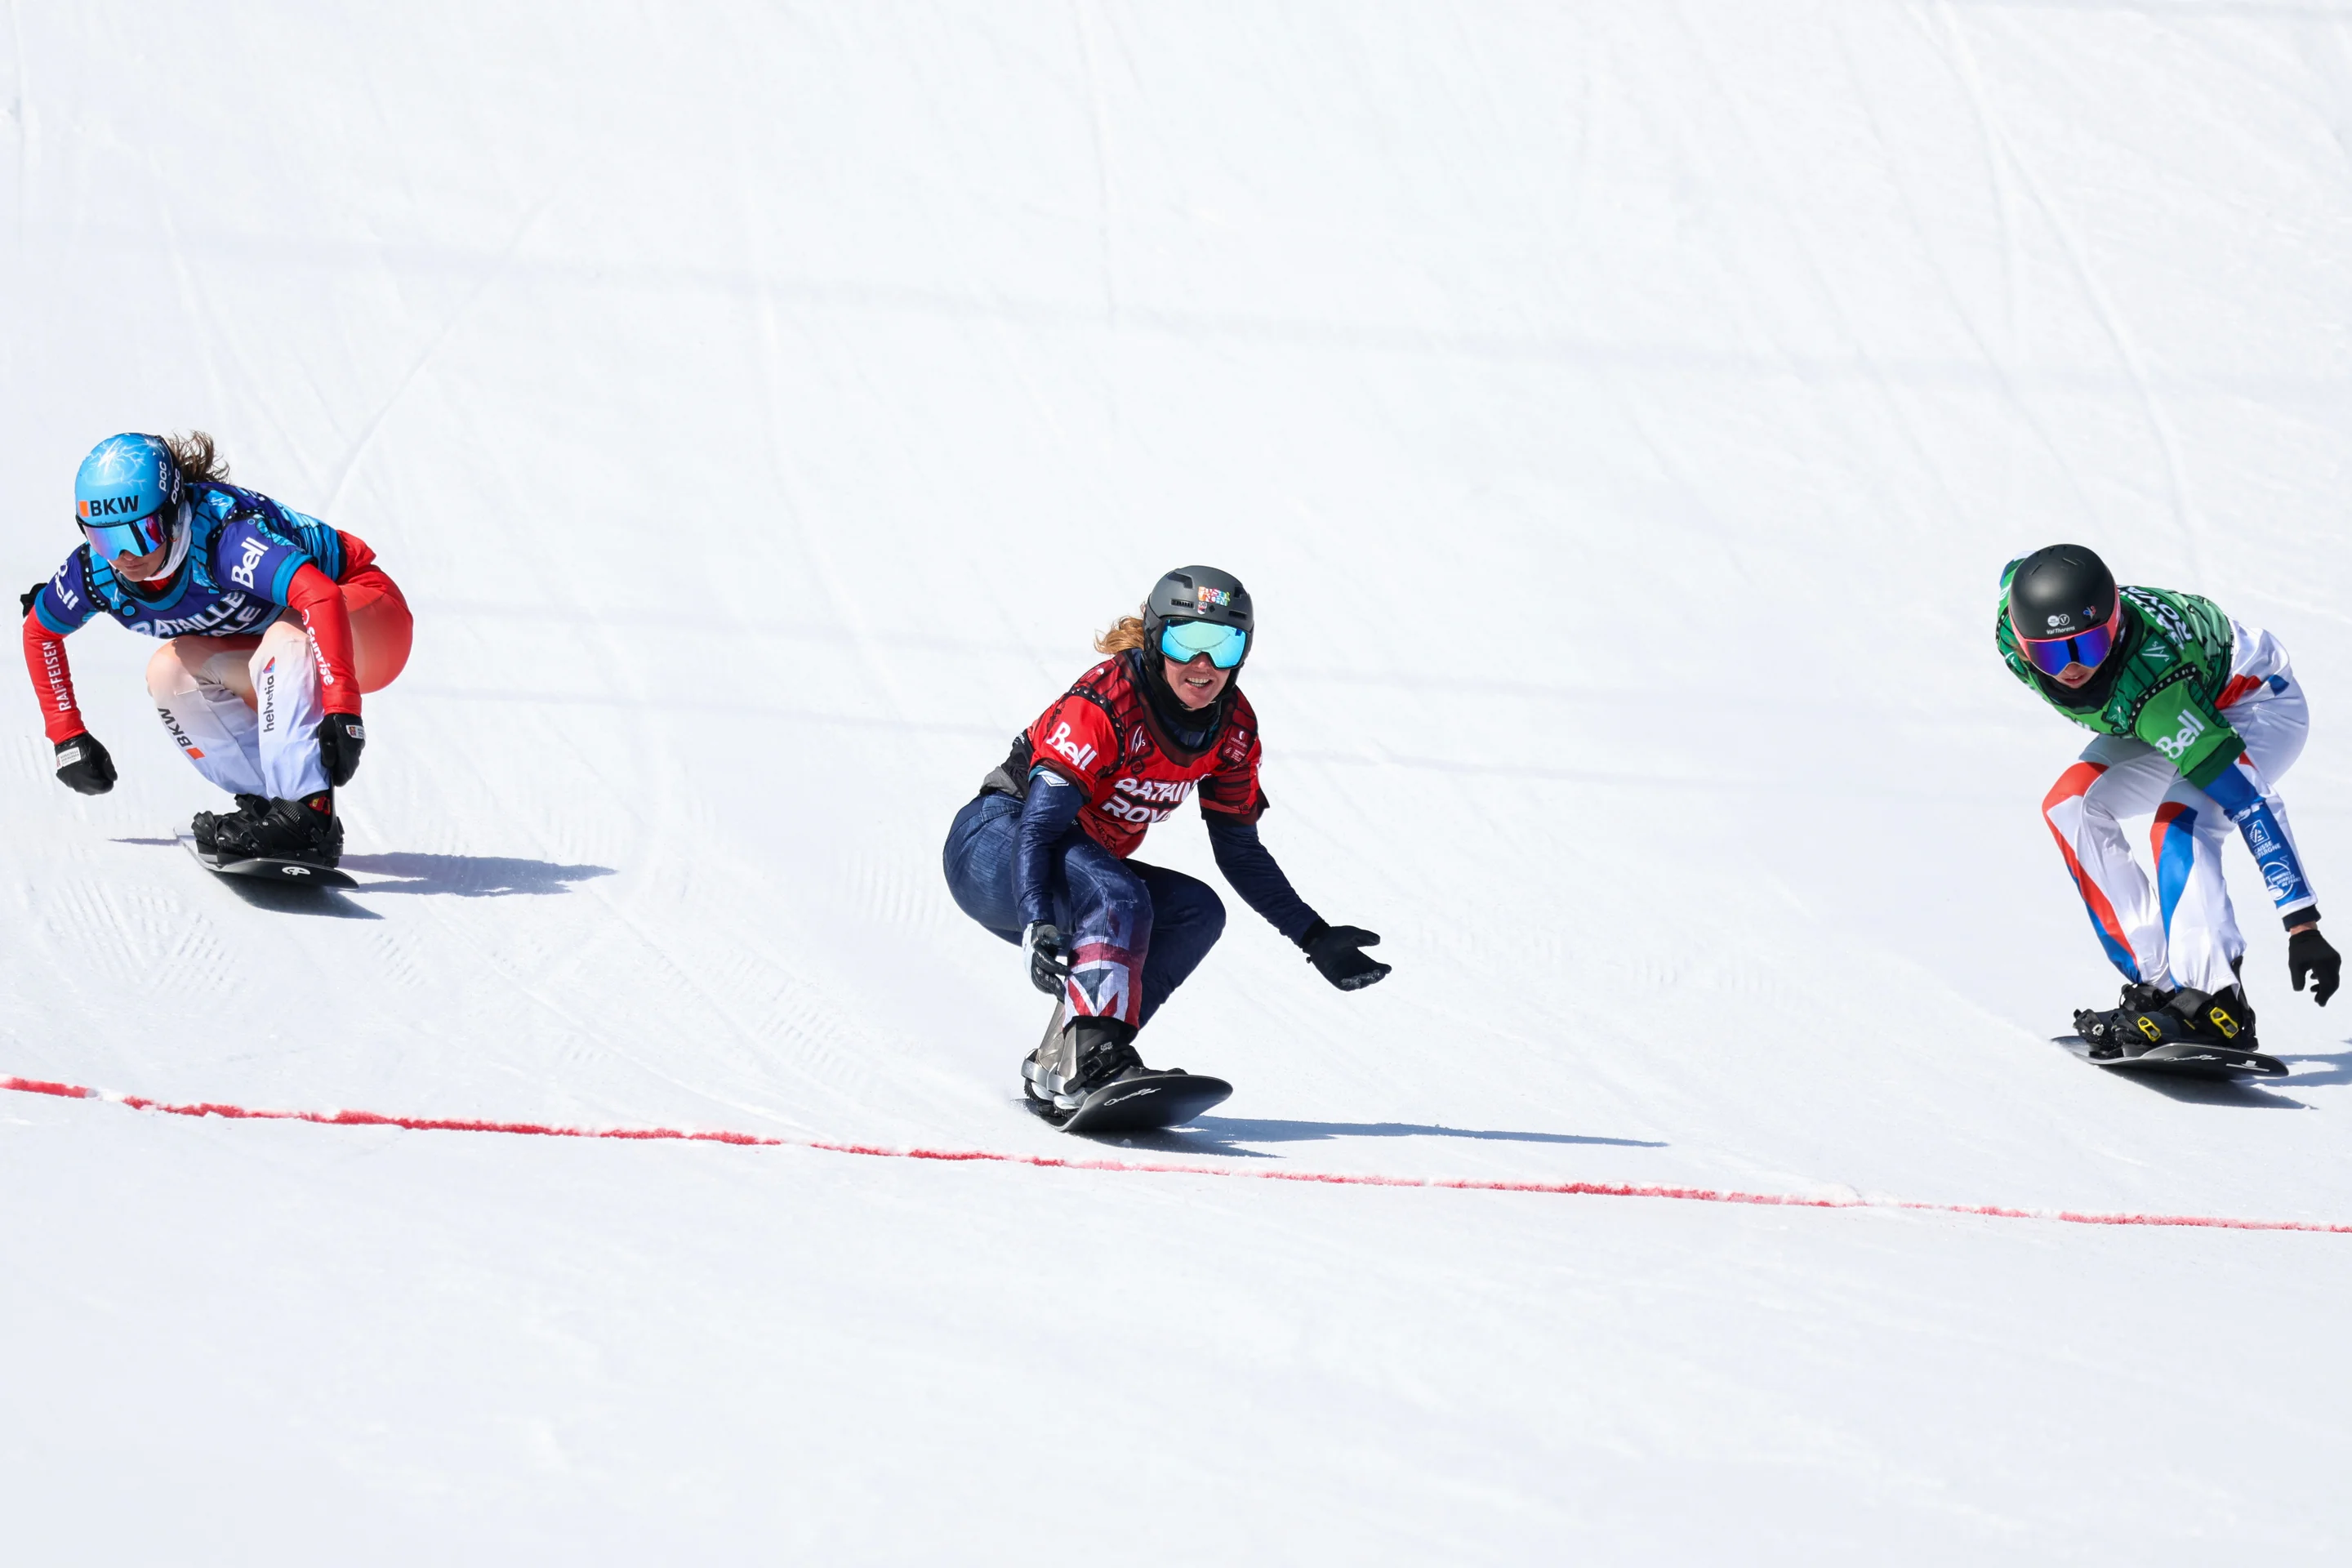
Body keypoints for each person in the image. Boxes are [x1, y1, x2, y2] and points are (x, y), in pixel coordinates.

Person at [943, 565, 1390, 1116]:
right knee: (1119, 895)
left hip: (1072, 869)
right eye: (1186, 642)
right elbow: (1039, 827)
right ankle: (1094, 1056)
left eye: (1223, 646)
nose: (1203, 666)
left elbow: (1239, 850)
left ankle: (1067, 1056)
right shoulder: (1105, 703)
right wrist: (1037, 918)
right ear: (1156, 641)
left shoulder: (1233, 729)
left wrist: (1313, 935)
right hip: (995, 844)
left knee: (1195, 912)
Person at [1998, 543, 2340, 1056]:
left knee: (2180, 821)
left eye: (2089, 646)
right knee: (2071, 805)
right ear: (2020, 637)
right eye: (2051, 652)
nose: (2071, 668)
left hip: (2250, 704)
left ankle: (2215, 1003)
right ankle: (2160, 985)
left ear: (2114, 625)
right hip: (2144, 708)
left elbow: (2251, 802)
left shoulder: (2159, 692)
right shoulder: (2011, 620)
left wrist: (2302, 923)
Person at [21, 432, 412, 867]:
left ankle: (308, 815)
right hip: (292, 642)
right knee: (170, 673)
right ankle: (271, 804)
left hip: (366, 614)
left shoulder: (224, 539)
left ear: (171, 515)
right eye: (105, 539)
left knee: (287, 637)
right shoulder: (95, 573)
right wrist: (67, 736)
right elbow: (39, 632)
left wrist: (344, 707)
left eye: (142, 534)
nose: (126, 557)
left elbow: (319, 596)